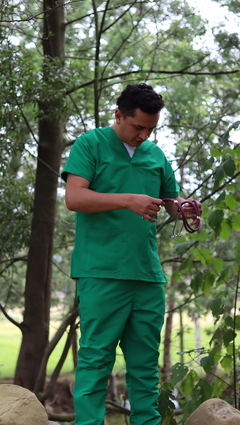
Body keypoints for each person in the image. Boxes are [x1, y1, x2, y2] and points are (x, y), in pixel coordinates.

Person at [61, 83, 202, 425]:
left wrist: (181, 207)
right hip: (101, 270)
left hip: (146, 274)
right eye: (138, 126)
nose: (143, 135)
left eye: (151, 129)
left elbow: (170, 201)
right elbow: (74, 198)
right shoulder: (90, 144)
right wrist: (127, 199)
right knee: (95, 360)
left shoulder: (155, 156)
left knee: (143, 365)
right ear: (119, 115)